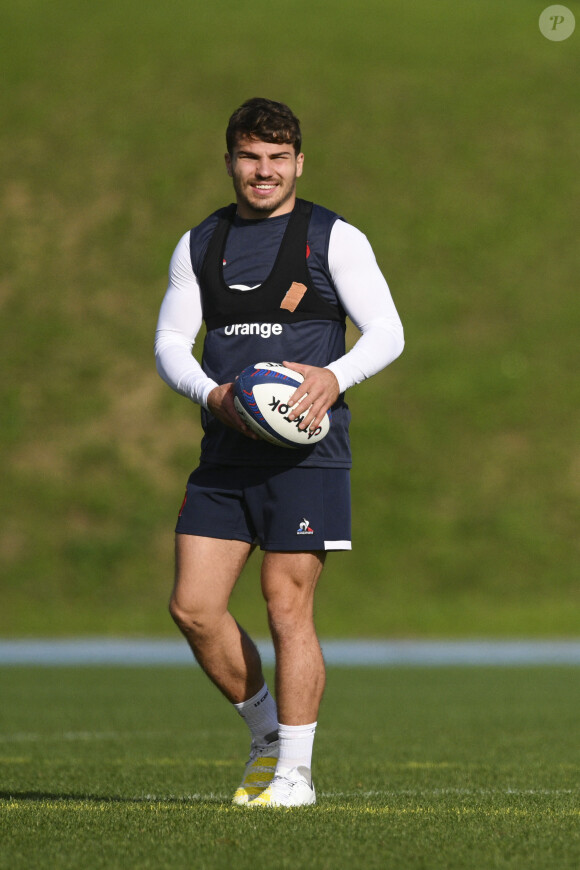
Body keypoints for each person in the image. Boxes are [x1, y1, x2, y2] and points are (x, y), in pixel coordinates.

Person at [154, 97, 404, 807]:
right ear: (230, 160)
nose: (263, 171)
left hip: (308, 453)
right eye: (249, 157)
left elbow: (387, 331)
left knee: (285, 604)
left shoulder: (334, 238)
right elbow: (172, 342)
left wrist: (334, 375)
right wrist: (212, 396)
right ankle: (267, 736)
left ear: (298, 162)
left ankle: (295, 773)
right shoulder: (200, 243)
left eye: (277, 158)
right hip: (227, 447)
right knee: (193, 606)